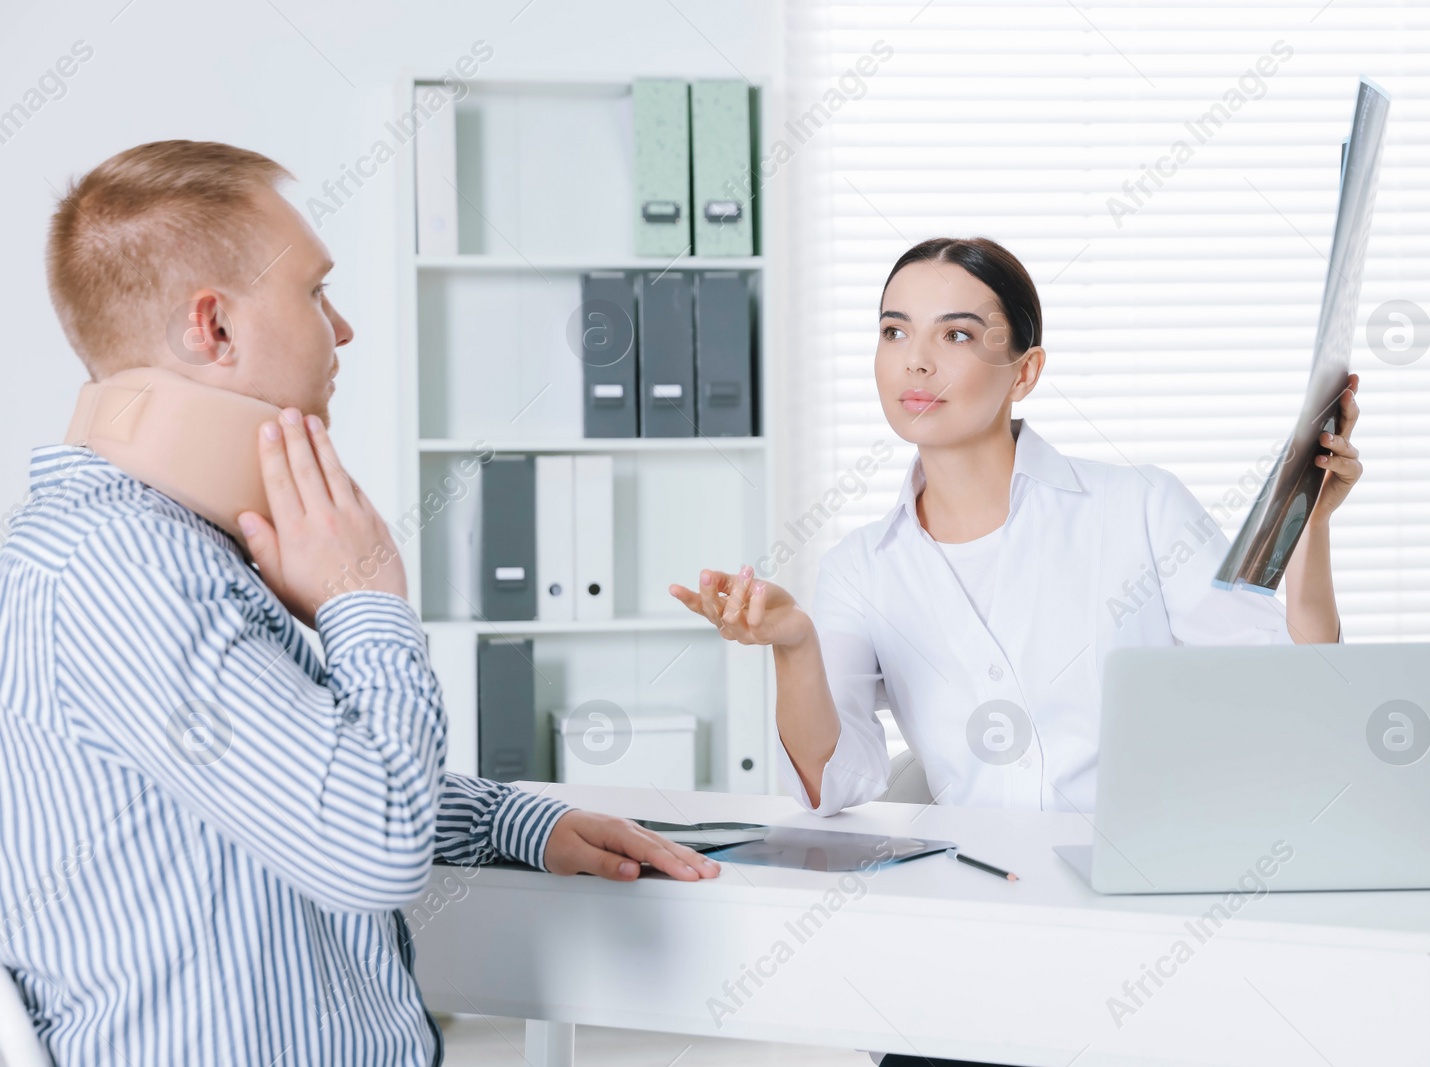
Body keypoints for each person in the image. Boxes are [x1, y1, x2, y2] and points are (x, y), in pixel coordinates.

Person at [0, 140, 719, 1066]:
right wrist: (365, 597)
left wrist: (520, 822)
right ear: (211, 328)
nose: (342, 330)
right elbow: (369, 844)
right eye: (313, 292)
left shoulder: (145, 547)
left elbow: (299, 778)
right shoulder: (125, 570)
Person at [672, 236, 1360, 819]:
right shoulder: (861, 567)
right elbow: (836, 781)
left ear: (1024, 372)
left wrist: (1311, 528)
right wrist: (793, 645)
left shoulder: (1140, 508)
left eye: (957, 334)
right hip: (982, 905)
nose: (916, 359)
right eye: (894, 329)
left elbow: (1286, 674)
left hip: (1149, 883)